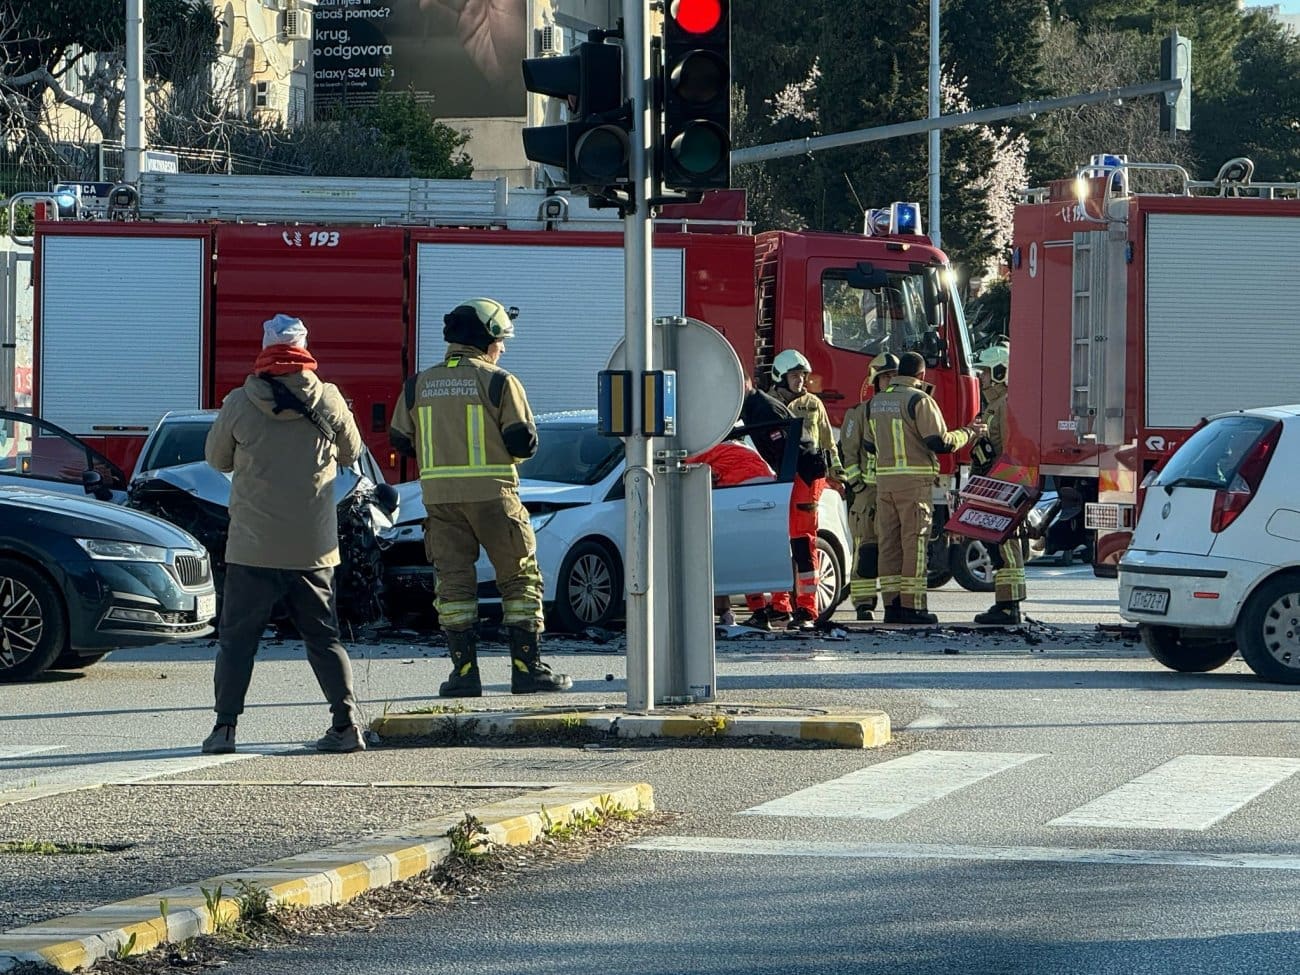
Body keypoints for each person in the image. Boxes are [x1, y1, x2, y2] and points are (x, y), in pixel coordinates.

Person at [201, 314, 367, 755]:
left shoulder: (239, 401)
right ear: (304, 351)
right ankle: (346, 724)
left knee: (237, 641)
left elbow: (216, 459)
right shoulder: (328, 399)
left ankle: (224, 729)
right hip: (313, 548)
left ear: (265, 348)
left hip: (253, 545)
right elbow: (354, 452)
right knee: (323, 637)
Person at [389, 298, 571, 698]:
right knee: (519, 578)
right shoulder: (498, 381)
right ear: (486, 338)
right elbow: (522, 441)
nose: (503, 347)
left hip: (439, 501)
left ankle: (464, 675)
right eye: (501, 339)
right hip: (494, 496)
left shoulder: (418, 384)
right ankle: (527, 670)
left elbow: (400, 441)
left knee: (453, 586)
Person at [864, 351, 987, 624]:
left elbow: (869, 444)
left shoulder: (876, 402)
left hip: (885, 484)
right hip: (913, 484)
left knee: (889, 545)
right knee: (914, 544)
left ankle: (892, 606)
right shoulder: (919, 399)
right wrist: (968, 432)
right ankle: (914, 607)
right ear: (921, 375)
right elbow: (939, 441)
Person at [742, 350, 839, 632]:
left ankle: (807, 608)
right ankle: (780, 607)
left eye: (803, 376)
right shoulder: (764, 405)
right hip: (786, 476)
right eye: (795, 376)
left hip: (803, 476)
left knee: (801, 542)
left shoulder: (788, 406)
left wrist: (839, 476)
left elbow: (824, 443)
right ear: (780, 376)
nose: (800, 381)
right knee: (778, 542)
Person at [686, 439, 776, 626]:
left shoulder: (701, 451)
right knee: (749, 554)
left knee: (729, 554)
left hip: (744, 493)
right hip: (768, 489)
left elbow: (680, 471)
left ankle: (742, 612)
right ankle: (768, 611)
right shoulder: (735, 447)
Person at [838, 353, 899, 621]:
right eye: (886, 376)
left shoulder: (904, 410)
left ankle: (894, 602)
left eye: (895, 376)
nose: (891, 381)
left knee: (893, 550)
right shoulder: (860, 413)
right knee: (866, 550)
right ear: (876, 381)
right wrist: (858, 486)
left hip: (894, 491)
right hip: (868, 495)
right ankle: (864, 604)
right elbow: (848, 454)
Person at [969, 343, 1026, 624]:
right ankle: (1003, 603)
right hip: (992, 482)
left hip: (1002, 483)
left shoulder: (1005, 405)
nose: (981, 378)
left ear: (1001, 372)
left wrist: (1000, 486)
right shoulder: (993, 404)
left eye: (986, 372)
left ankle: (1009, 606)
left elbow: (1010, 449)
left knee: (1005, 545)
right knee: (996, 544)